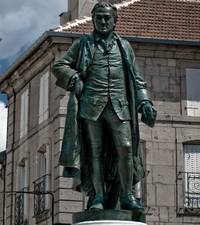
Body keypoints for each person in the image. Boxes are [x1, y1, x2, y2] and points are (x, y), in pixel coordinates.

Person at [52, 2, 156, 211]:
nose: (103, 21)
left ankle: (127, 196)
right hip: (91, 106)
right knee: (95, 152)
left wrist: (144, 100)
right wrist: (74, 79)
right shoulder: (83, 44)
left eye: (107, 18)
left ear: (115, 21)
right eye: (99, 17)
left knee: (126, 148)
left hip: (120, 106)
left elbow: (136, 78)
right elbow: (59, 65)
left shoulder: (124, 46)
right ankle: (98, 196)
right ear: (93, 20)